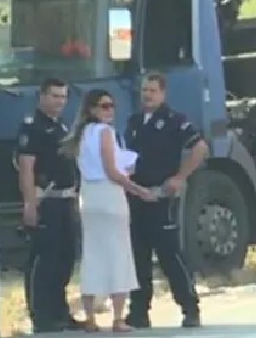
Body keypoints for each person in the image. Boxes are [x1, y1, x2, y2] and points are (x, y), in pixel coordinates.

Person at [62, 90, 153, 332]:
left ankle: (90, 317)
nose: (110, 110)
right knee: (118, 254)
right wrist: (136, 188)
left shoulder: (80, 135)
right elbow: (112, 171)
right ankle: (118, 317)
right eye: (104, 106)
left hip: (88, 197)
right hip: (109, 195)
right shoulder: (105, 132)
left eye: (111, 106)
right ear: (92, 109)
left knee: (92, 255)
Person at [122, 73, 208, 329]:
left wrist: (180, 177)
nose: (147, 95)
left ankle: (189, 307)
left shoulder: (174, 121)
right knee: (138, 256)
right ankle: (138, 311)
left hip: (161, 195)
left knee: (169, 254)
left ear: (163, 93)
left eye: (152, 90)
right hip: (136, 194)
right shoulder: (134, 122)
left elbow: (200, 147)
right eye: (144, 90)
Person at [15, 78, 80, 333]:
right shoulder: (33, 126)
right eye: (55, 96)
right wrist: (30, 204)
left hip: (65, 200)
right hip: (46, 201)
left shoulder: (61, 126)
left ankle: (60, 313)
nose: (59, 102)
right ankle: (41, 316)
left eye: (63, 97)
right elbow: (26, 168)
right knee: (44, 259)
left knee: (65, 258)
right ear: (42, 96)